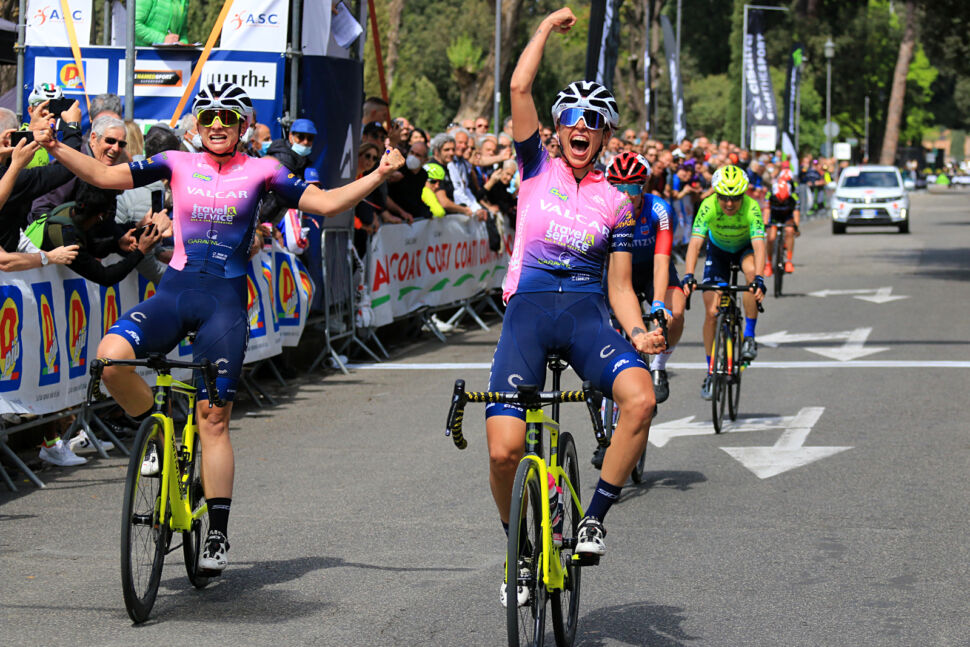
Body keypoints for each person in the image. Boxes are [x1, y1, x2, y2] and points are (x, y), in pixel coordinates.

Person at [32, 82, 404, 573]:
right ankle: (161, 431)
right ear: (198, 124)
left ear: (243, 124)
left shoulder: (263, 170)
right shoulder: (177, 163)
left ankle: (217, 533)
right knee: (111, 359)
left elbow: (328, 204)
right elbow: (102, 173)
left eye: (228, 118)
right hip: (174, 294)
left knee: (214, 420)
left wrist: (378, 173)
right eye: (208, 117)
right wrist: (53, 145)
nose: (217, 126)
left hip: (224, 305)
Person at [490, 7, 665, 608]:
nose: (582, 127)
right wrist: (543, 28)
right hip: (529, 312)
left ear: (606, 136)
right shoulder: (535, 167)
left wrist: (638, 332)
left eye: (595, 121)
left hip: (588, 315)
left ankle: (593, 517)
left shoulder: (617, 202)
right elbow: (519, 87)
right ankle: (519, 552)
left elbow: (620, 287)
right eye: (572, 118)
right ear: (558, 127)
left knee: (641, 399)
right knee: (503, 450)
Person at [604, 152, 685, 405]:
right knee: (601, 321)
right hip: (617, 270)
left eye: (632, 188)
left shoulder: (659, 209)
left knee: (676, 310)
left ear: (644, 186)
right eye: (618, 188)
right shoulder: (603, 208)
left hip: (652, 268)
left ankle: (658, 366)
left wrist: (659, 303)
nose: (625, 194)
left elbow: (661, 260)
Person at [681, 165, 766, 401]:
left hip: (744, 249)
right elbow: (695, 243)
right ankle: (711, 371)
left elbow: (759, 245)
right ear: (716, 194)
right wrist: (689, 274)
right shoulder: (708, 205)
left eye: (735, 198)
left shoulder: (752, 207)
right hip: (718, 252)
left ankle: (749, 336)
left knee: (751, 274)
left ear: (743, 196)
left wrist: (759, 279)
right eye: (724, 198)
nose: (729, 203)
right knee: (711, 312)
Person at [763, 176, 800, 276]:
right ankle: (768, 263)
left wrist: (796, 227)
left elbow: (796, 212)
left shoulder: (794, 196)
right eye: (779, 200)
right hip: (774, 215)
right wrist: (765, 225)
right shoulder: (770, 194)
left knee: (789, 231)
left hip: (787, 216)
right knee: (771, 238)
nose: (781, 202)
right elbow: (767, 210)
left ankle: (789, 261)